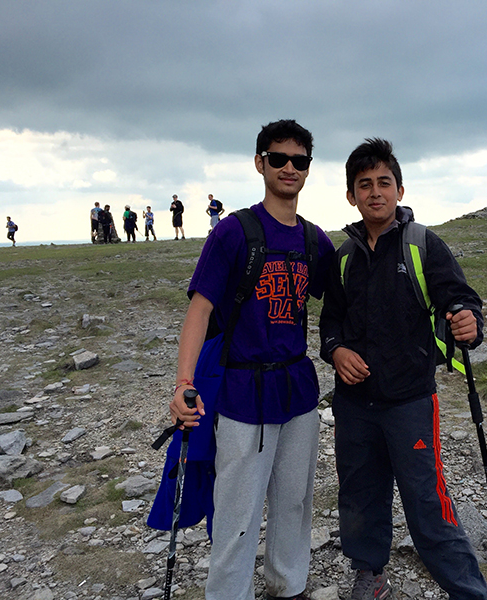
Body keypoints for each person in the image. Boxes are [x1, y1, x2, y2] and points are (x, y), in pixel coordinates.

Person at [169, 119, 334, 600]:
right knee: (237, 512)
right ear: (260, 163)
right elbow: (200, 310)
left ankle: (289, 587)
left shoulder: (314, 240)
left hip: (298, 391)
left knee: (294, 504)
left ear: (308, 168)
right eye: (278, 158)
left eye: (299, 160)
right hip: (243, 394)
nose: (289, 167)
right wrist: (182, 383)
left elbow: (348, 297)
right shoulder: (233, 233)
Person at [319, 138, 487, 600]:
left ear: (399, 189)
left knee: (427, 501)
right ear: (351, 195)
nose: (375, 192)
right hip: (354, 404)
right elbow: (330, 321)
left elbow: (460, 298)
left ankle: (469, 592)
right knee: (359, 494)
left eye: (384, 182)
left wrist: (469, 320)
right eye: (364, 184)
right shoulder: (344, 256)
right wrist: (336, 351)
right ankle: (369, 573)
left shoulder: (423, 244)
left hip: (411, 400)